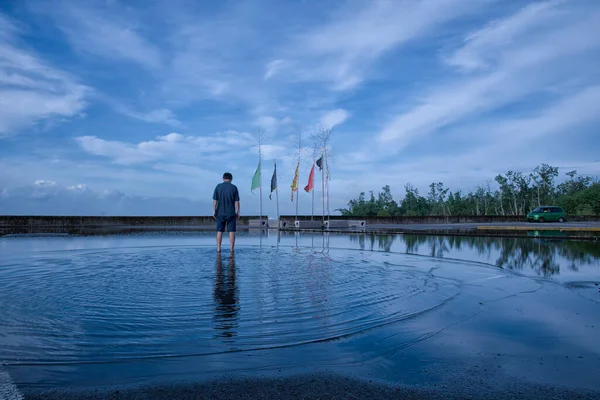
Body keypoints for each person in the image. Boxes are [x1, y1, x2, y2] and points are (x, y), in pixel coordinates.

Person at [212, 172, 240, 252]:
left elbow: (215, 201)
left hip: (220, 213)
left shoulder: (218, 187)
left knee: (219, 231)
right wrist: (238, 212)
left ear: (223, 178)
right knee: (231, 231)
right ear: (231, 179)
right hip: (231, 213)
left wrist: (214, 211)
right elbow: (237, 202)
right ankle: (231, 249)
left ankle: (218, 248)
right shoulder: (234, 187)